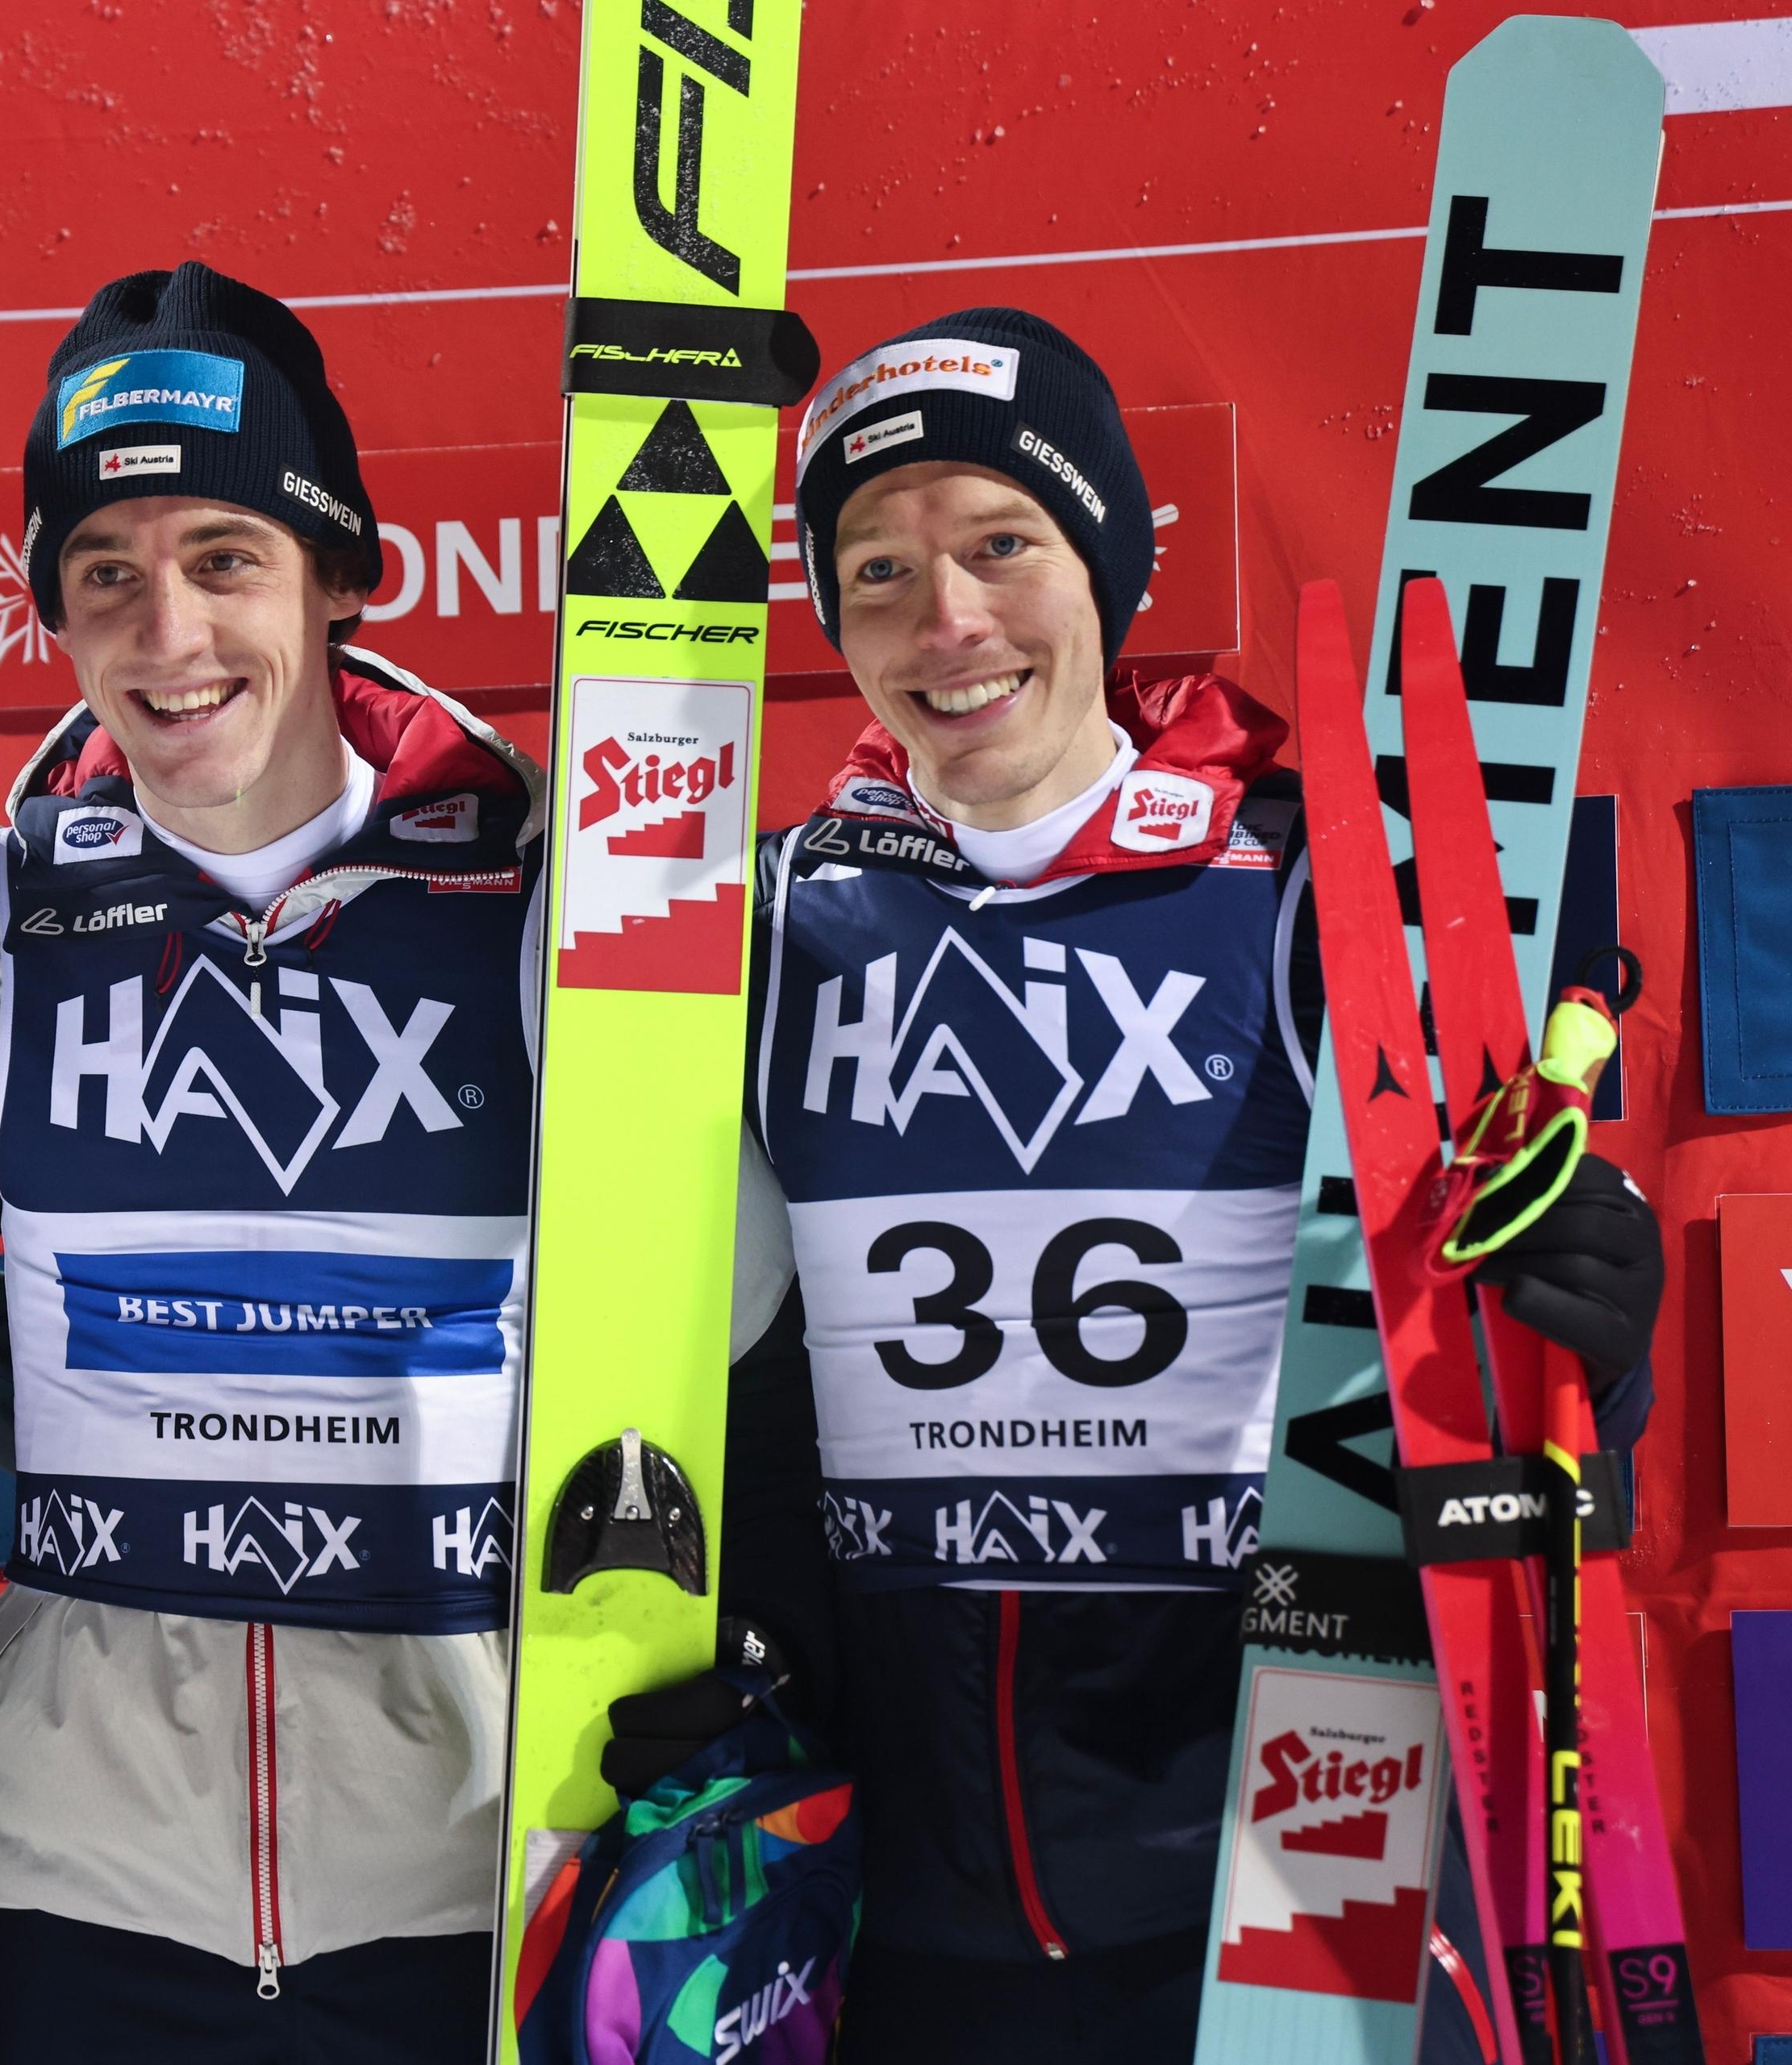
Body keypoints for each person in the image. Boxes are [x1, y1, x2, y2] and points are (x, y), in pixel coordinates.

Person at [608, 307, 1665, 2063]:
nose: (947, 621)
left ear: (1108, 563)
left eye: (1001, 544)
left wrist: (1593, 1333)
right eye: (878, 571)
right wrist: (736, 1659)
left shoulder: (1311, 891)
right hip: (903, 1917)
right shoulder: (767, 929)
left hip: (1288, 1873)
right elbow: (711, 1357)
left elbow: (1487, 1378)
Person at [0, 260, 537, 2063]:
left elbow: (738, 1309)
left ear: (342, 574)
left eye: (225, 559)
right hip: (88, 1882)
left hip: (471, 1868)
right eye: (105, 576)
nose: (168, 635)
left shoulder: (540, 898)